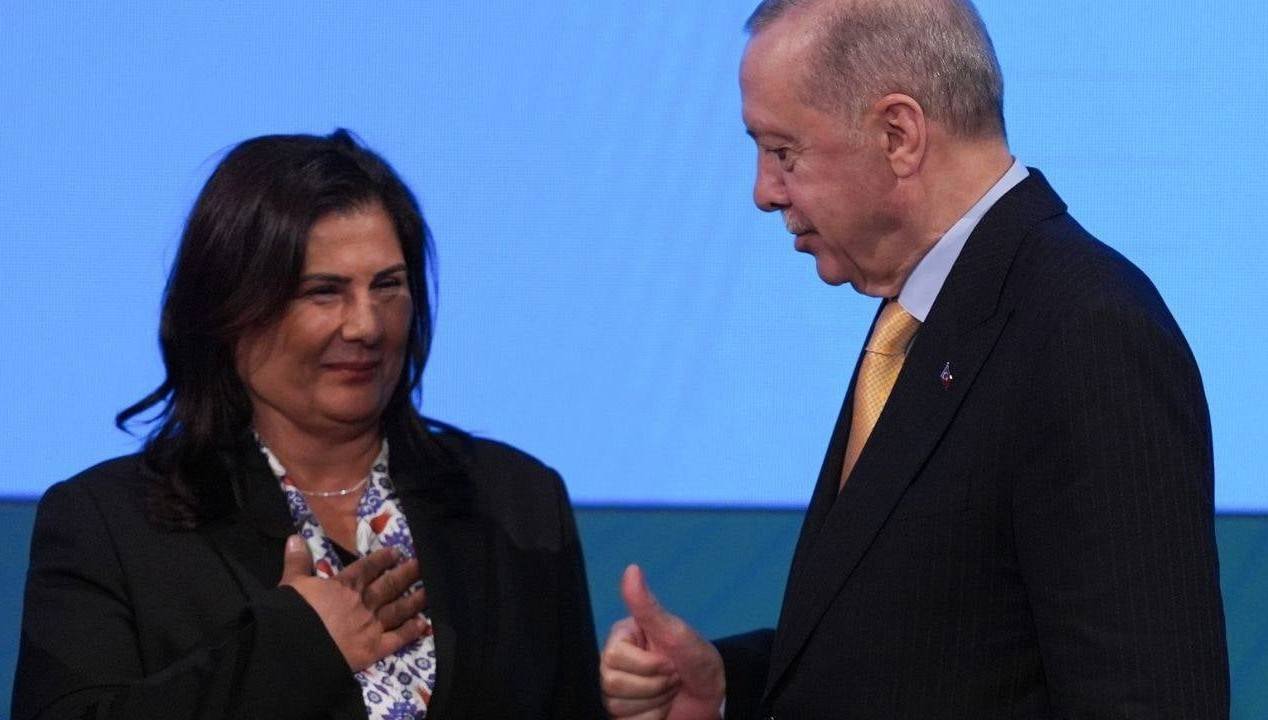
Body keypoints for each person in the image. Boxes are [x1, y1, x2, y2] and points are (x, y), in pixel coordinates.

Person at [600, 1, 1229, 718]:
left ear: (898, 135)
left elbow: (1145, 696)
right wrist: (726, 687)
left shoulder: (1087, 329)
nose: (764, 192)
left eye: (782, 151)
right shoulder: (924, 314)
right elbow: (930, 648)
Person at [13, 130, 603, 720]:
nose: (367, 326)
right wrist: (289, 648)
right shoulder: (107, 524)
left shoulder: (517, 500)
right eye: (323, 292)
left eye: (388, 286)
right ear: (228, 311)